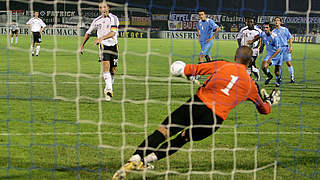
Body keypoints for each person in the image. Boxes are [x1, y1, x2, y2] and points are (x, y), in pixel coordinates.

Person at [112, 46, 280, 180]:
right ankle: (146, 161)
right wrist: (270, 101)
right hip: (215, 119)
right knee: (183, 138)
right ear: (250, 62)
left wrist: (180, 70)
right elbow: (264, 110)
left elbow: (189, 69)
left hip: (197, 104)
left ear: (235, 57)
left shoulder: (222, 64)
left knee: (164, 131)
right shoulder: (251, 86)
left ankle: (136, 158)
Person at [79, 0, 119, 101]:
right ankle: (109, 89)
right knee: (106, 66)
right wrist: (82, 46)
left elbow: (113, 32)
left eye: (104, 7)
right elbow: (88, 33)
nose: (102, 9)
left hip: (114, 46)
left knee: (113, 71)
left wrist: (101, 38)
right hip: (103, 46)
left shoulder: (113, 18)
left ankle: (108, 87)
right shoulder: (96, 21)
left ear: (108, 8)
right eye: (100, 7)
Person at [249, 22, 282, 87]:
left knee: (277, 71)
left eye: (267, 27)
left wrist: (271, 58)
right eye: (264, 27)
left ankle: (278, 80)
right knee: (264, 67)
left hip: (277, 55)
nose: (265, 29)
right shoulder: (263, 34)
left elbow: (278, 50)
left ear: (270, 28)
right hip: (269, 54)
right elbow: (259, 36)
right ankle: (269, 76)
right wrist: (253, 41)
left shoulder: (274, 37)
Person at [272, 17, 295, 83]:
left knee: (288, 63)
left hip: (285, 48)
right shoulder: (273, 31)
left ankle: (292, 77)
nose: (276, 22)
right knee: (278, 65)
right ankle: (279, 78)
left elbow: (290, 38)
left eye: (278, 20)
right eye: (275, 20)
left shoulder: (285, 29)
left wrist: (291, 46)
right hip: (278, 49)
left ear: (280, 22)